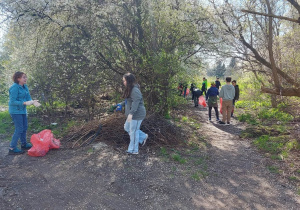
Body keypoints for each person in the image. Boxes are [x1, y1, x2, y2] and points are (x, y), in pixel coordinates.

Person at [8, 72, 40, 155]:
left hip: (22, 110)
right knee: (19, 129)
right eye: (24, 77)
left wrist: (33, 102)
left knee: (25, 127)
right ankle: (12, 148)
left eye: (26, 77)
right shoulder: (14, 87)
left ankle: (24, 144)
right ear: (18, 78)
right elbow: (12, 102)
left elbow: (28, 98)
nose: (26, 79)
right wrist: (24, 103)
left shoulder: (25, 86)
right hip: (15, 111)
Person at [116, 73, 148, 155]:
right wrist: (121, 104)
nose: (123, 82)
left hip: (137, 114)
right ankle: (143, 136)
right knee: (127, 127)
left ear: (128, 81)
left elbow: (136, 102)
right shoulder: (130, 89)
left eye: (124, 81)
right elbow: (129, 100)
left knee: (133, 131)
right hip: (132, 114)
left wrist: (131, 114)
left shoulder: (135, 90)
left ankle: (133, 150)